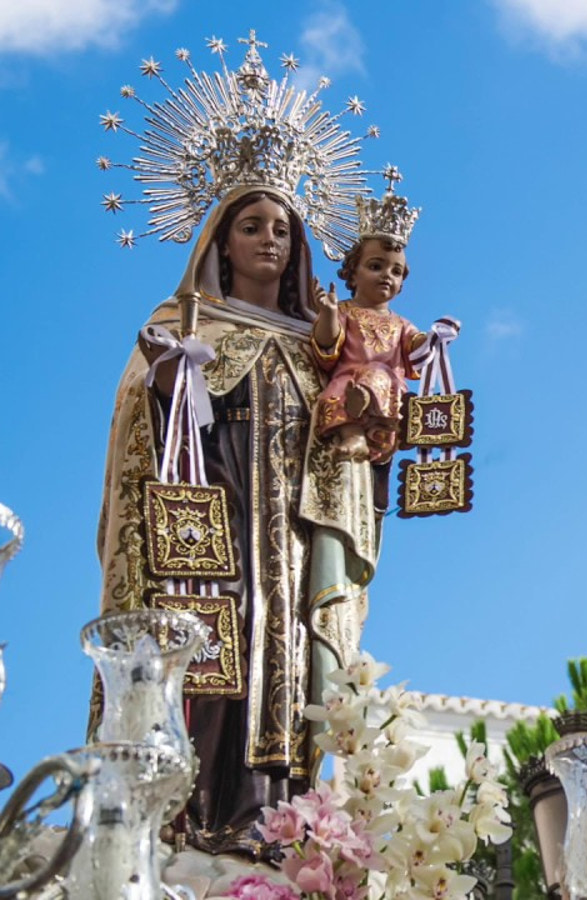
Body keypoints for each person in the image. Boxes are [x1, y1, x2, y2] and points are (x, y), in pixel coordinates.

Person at [96, 184, 379, 856]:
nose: (269, 241)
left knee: (285, 653)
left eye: (282, 230)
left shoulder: (320, 346)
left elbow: (350, 447)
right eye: (251, 227)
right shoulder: (187, 323)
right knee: (209, 645)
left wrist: (368, 411)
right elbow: (145, 426)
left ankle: (276, 815)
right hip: (211, 521)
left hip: (293, 534)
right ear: (222, 242)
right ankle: (191, 812)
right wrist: (168, 383)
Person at [311, 236, 426, 463]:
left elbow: (417, 351)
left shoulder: (401, 324)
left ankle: (367, 406)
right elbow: (326, 346)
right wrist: (328, 314)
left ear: (401, 283)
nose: (386, 276)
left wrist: (433, 341)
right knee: (340, 391)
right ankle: (354, 437)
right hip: (346, 384)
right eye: (376, 266)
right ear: (353, 274)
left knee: (375, 372)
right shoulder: (344, 311)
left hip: (387, 390)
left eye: (396, 272)